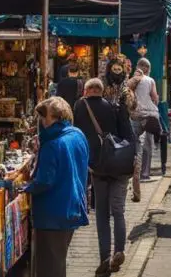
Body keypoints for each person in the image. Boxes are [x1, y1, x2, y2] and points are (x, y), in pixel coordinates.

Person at [73, 78, 138, 277]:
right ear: (101, 91)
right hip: (118, 163)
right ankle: (119, 250)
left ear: (86, 91)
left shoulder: (79, 106)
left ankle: (104, 258)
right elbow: (125, 134)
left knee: (101, 213)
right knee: (118, 211)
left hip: (97, 166)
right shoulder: (112, 107)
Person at [27, 97, 90, 277]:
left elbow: (45, 181)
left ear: (55, 117)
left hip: (52, 213)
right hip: (72, 206)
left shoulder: (53, 144)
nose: (41, 121)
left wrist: (26, 188)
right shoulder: (78, 135)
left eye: (43, 116)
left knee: (50, 267)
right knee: (58, 261)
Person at [129, 58, 161, 185]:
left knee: (135, 143)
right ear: (148, 69)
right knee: (147, 144)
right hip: (148, 115)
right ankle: (144, 174)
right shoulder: (150, 80)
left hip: (134, 115)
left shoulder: (131, 81)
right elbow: (154, 98)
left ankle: (133, 171)